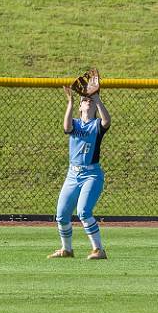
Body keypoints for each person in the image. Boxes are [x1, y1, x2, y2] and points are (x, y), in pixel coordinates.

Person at [48, 86, 111, 260]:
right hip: (72, 175)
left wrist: (97, 99)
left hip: (92, 175)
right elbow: (66, 127)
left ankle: (99, 250)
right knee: (61, 214)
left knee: (83, 211)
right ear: (80, 107)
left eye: (90, 100)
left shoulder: (97, 125)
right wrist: (70, 102)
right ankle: (67, 249)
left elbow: (107, 121)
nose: (88, 102)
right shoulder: (75, 124)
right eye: (85, 100)